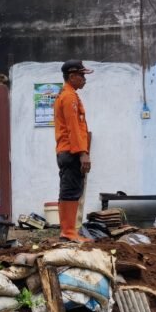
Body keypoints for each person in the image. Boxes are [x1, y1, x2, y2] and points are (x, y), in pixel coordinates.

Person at [53, 60, 93, 242]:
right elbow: (73, 128)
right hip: (71, 152)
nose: (84, 79)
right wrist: (83, 153)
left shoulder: (69, 95)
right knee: (70, 190)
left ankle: (69, 231)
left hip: (68, 151)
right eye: (82, 75)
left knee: (71, 189)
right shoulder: (69, 97)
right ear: (72, 76)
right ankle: (68, 232)